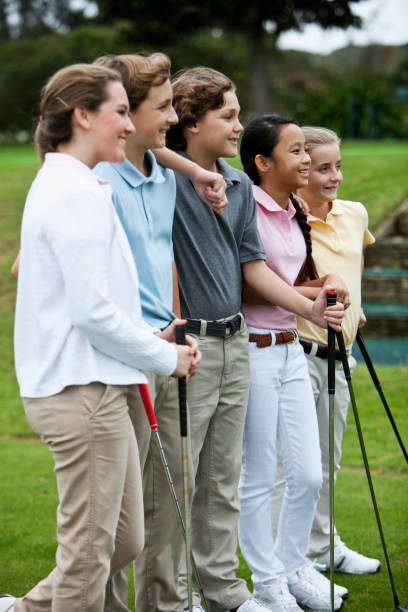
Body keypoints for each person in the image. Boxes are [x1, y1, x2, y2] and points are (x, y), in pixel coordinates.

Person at [1, 62, 199, 612]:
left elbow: (100, 302)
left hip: (99, 387)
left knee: (121, 541)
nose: (130, 126)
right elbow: (93, 314)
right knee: (90, 554)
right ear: (82, 115)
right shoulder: (74, 192)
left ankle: (21, 609)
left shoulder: (75, 183)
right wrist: (166, 357)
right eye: (118, 113)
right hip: (81, 393)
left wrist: (156, 342)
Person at [164, 67, 344, 612]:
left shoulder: (238, 186)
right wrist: (186, 166)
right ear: (189, 122)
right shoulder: (163, 178)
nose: (239, 126)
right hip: (198, 344)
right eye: (229, 115)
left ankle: (268, 577)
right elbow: (145, 155)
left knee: (270, 477)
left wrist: (308, 304)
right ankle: (201, 591)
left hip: (247, 342)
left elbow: (253, 266)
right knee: (196, 479)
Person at [92, 52, 226, 612]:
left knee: (165, 496)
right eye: (163, 107)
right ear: (125, 113)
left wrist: (174, 325)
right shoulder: (98, 178)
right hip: (123, 357)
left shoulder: (164, 175)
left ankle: (164, 604)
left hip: (167, 348)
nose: (172, 116)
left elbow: (165, 257)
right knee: (114, 513)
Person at [237, 114, 351, 612]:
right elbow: (244, 282)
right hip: (253, 349)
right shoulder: (247, 206)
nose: (307, 160)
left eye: (308, 150)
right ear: (263, 163)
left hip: (288, 346)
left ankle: (291, 568)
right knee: (259, 475)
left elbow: (283, 283)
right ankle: (267, 583)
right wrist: (308, 303)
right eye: (297, 151)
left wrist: (322, 285)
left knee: (308, 474)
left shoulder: (292, 212)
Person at [270, 126, 379, 576]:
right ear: (300, 169)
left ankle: (322, 545)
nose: (334, 176)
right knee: (292, 469)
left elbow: (355, 264)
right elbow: (275, 284)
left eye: (338, 166)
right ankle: (283, 564)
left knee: (327, 463)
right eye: (322, 168)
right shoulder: (288, 221)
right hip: (300, 352)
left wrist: (359, 307)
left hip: (342, 355)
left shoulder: (354, 213)